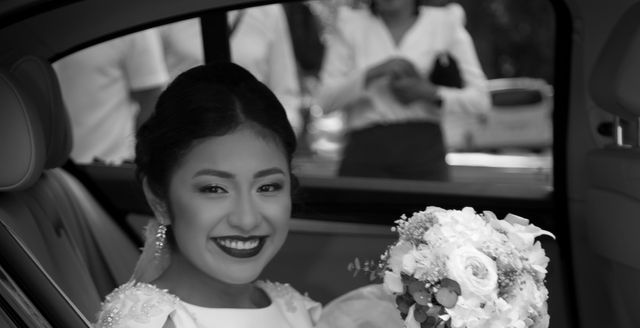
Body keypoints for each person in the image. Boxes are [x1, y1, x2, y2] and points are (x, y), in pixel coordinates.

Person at [96, 63, 640, 328]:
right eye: (213, 188)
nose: (246, 215)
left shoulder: (287, 303)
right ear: (160, 198)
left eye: (268, 186)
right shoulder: (148, 319)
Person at [317, 0, 490, 180]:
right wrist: (373, 73)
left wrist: (428, 92)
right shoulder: (350, 25)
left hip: (424, 156)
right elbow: (325, 100)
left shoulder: (445, 23)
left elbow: (480, 101)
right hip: (364, 156)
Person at [159, 5, 303, 136]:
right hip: (185, 136)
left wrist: (276, 139)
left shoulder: (268, 10)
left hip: (254, 137)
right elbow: (152, 87)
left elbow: (285, 92)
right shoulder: (166, 8)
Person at [54, 29, 169, 165]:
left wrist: (142, 162)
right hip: (51, 170)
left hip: (108, 166)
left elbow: (152, 99)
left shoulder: (134, 25)